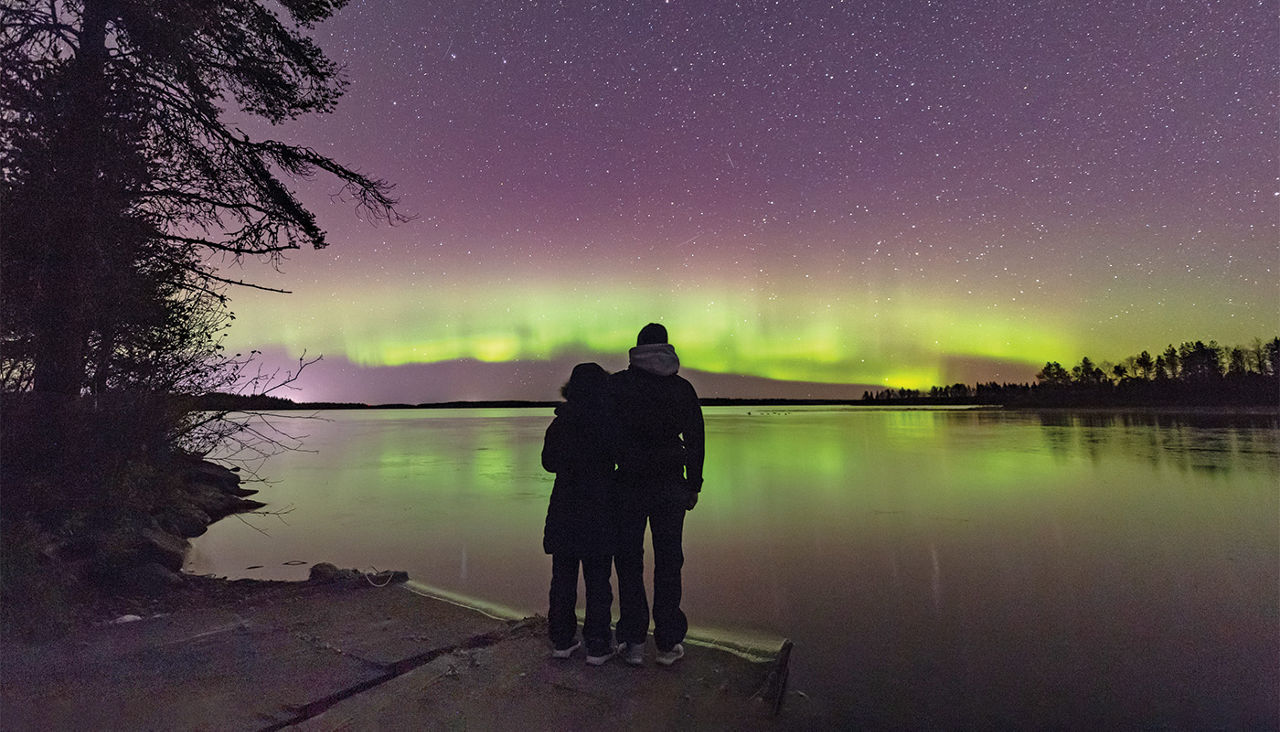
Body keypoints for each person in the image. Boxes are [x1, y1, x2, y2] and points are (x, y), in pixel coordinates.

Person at [610, 323, 704, 666]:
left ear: (637, 349)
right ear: (666, 347)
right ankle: (667, 643)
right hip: (669, 485)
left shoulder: (618, 385)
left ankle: (633, 641)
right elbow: (695, 438)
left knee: (629, 561)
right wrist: (693, 483)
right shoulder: (681, 388)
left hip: (629, 485)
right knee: (669, 561)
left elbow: (604, 435)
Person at [541, 362, 618, 665]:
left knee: (563, 578)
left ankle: (562, 640)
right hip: (599, 508)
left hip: (565, 508)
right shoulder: (609, 422)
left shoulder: (560, 423)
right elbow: (620, 457)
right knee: (598, 580)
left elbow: (548, 463)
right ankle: (598, 645)